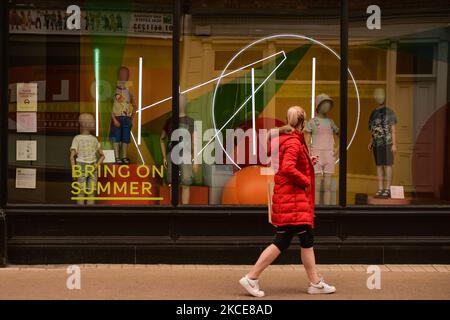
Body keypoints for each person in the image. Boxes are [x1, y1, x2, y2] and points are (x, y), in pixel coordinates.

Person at [239, 106, 336, 297]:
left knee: (306, 239)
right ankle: (251, 277)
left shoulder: (287, 139)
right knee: (283, 240)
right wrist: (306, 180)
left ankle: (314, 282)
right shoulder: (293, 142)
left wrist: (308, 162)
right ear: (301, 123)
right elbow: (288, 168)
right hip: (293, 200)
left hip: (291, 199)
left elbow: (291, 164)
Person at [305, 94, 339, 205]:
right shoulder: (312, 122)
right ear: (318, 105)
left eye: (329, 104)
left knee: (328, 185)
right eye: (325, 103)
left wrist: (337, 148)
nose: (327, 106)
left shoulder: (331, 122)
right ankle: (316, 207)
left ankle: (327, 208)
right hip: (317, 154)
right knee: (317, 184)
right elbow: (307, 140)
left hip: (329, 153)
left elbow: (340, 135)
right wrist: (309, 152)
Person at [368, 87, 398, 198]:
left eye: (381, 94)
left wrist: (394, 144)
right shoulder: (373, 114)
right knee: (379, 165)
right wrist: (371, 142)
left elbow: (393, 129)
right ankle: (380, 188)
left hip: (388, 143)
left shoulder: (390, 112)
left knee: (388, 164)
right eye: (377, 94)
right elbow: (372, 129)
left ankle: (388, 188)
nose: (379, 96)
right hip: (377, 144)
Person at [70, 113, 105, 205]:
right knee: (85, 192)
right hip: (87, 166)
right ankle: (85, 213)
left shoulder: (93, 139)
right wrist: (97, 165)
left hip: (89, 166)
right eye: (93, 122)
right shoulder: (78, 138)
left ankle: (86, 213)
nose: (94, 124)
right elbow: (72, 156)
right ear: (87, 124)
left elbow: (72, 157)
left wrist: (74, 170)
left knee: (86, 192)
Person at [110, 66, 136, 164]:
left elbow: (134, 104)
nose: (124, 76)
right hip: (117, 116)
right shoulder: (113, 90)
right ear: (118, 75)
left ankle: (124, 156)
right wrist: (114, 119)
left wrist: (133, 115)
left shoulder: (129, 91)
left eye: (126, 74)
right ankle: (117, 157)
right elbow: (109, 107)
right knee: (116, 137)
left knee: (125, 137)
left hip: (126, 118)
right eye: (122, 73)